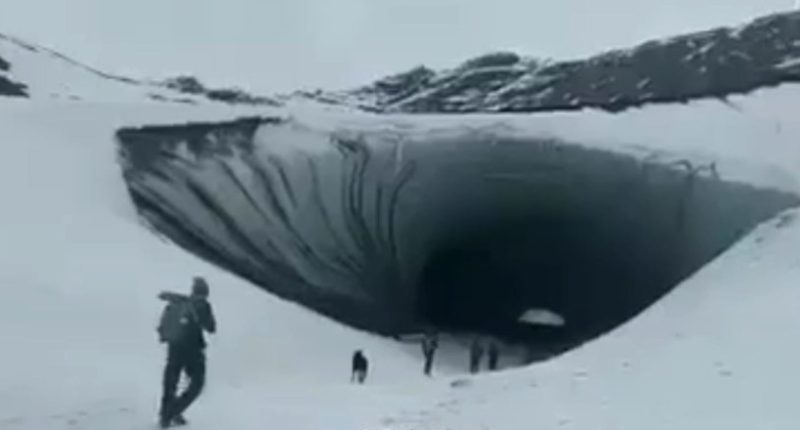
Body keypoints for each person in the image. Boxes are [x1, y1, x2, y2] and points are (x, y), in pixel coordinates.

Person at [157, 277, 217, 428]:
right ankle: (171, 412)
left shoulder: (181, 303)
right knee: (191, 383)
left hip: (180, 348)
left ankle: (168, 414)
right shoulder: (193, 304)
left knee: (174, 382)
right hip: (189, 350)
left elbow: (211, 327)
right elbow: (211, 327)